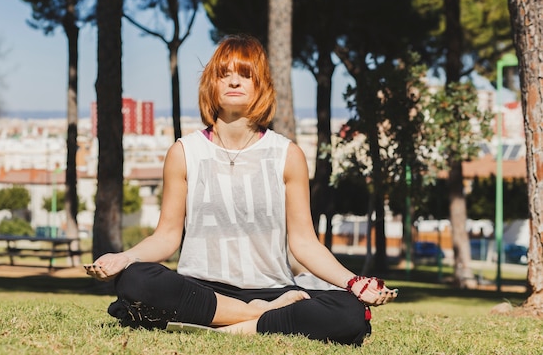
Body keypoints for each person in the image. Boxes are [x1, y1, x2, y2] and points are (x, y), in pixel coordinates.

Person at [85, 34, 397, 345]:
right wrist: (124, 258)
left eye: (246, 74)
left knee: (348, 312)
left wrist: (353, 282)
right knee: (136, 280)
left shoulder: (287, 155)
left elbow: (304, 243)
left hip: (273, 290)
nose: (235, 82)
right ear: (212, 85)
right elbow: (166, 237)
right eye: (225, 74)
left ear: (261, 86)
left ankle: (220, 326)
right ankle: (253, 315)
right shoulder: (183, 152)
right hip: (202, 290)